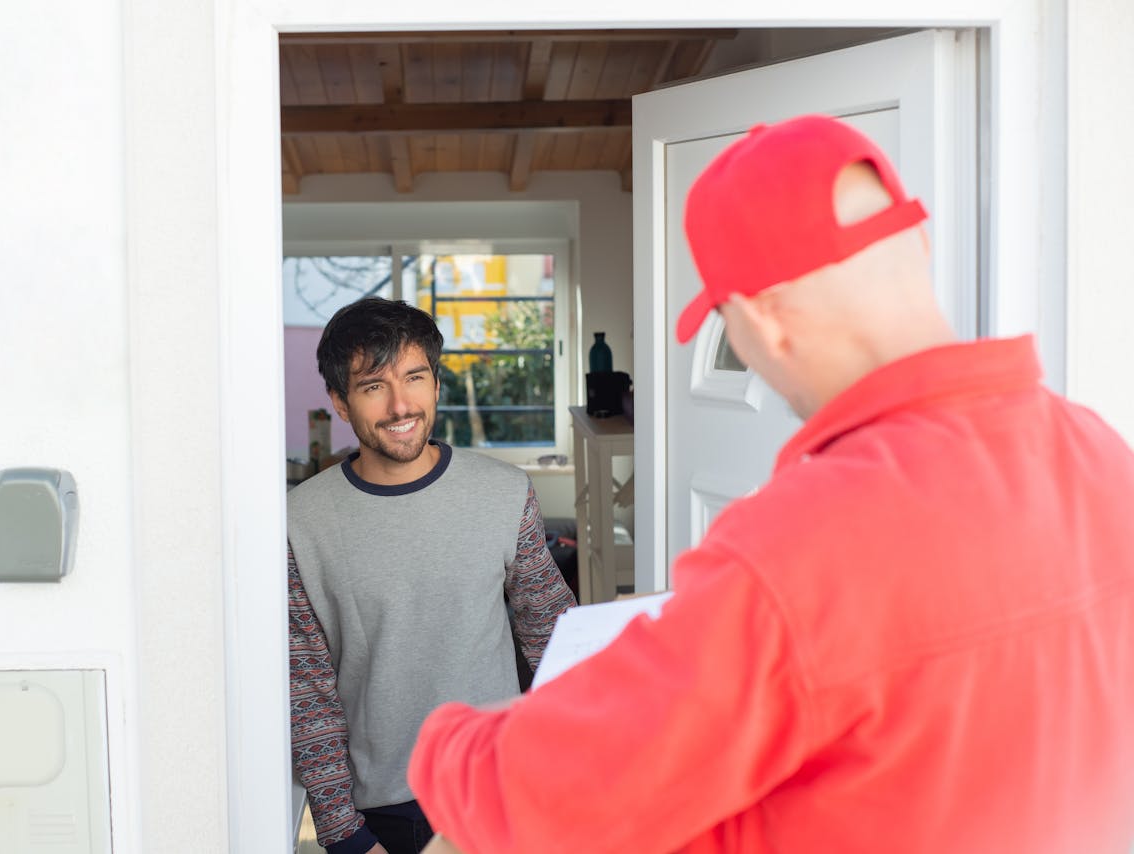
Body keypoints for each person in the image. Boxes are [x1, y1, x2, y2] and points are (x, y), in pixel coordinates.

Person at [405, 115, 1134, 853]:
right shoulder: (1102, 454)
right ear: (916, 240)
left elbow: (544, 794)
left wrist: (442, 742)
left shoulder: (807, 544)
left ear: (761, 322)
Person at [288, 296, 577, 854]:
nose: (401, 405)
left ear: (437, 383)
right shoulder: (301, 521)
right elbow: (307, 689)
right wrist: (344, 834)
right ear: (340, 403)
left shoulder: (505, 493)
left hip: (501, 790)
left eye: (415, 378)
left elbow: (554, 639)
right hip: (385, 812)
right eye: (374, 386)